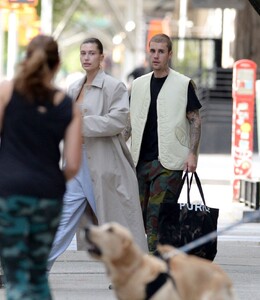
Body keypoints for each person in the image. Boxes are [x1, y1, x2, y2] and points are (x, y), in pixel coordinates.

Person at [47, 37, 148, 271]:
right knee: (60, 220)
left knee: (115, 223)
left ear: (102, 57)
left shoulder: (114, 86)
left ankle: (135, 272)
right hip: (76, 164)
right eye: (83, 53)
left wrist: (79, 124)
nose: (86, 57)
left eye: (92, 53)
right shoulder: (74, 87)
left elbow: (117, 121)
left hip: (104, 166)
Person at [0, 34, 82, 299]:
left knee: (16, 276)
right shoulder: (68, 106)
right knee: (37, 272)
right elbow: (72, 164)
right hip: (48, 195)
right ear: (57, 64)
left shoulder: (6, 92)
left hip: (10, 193)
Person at [129, 33, 202, 253]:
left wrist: (192, 153)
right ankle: (146, 267)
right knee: (136, 219)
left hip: (169, 163)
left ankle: (152, 272)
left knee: (156, 218)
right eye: (153, 51)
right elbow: (128, 123)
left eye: (161, 51)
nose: (156, 56)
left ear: (169, 54)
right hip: (140, 161)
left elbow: (195, 120)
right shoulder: (138, 84)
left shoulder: (182, 84)